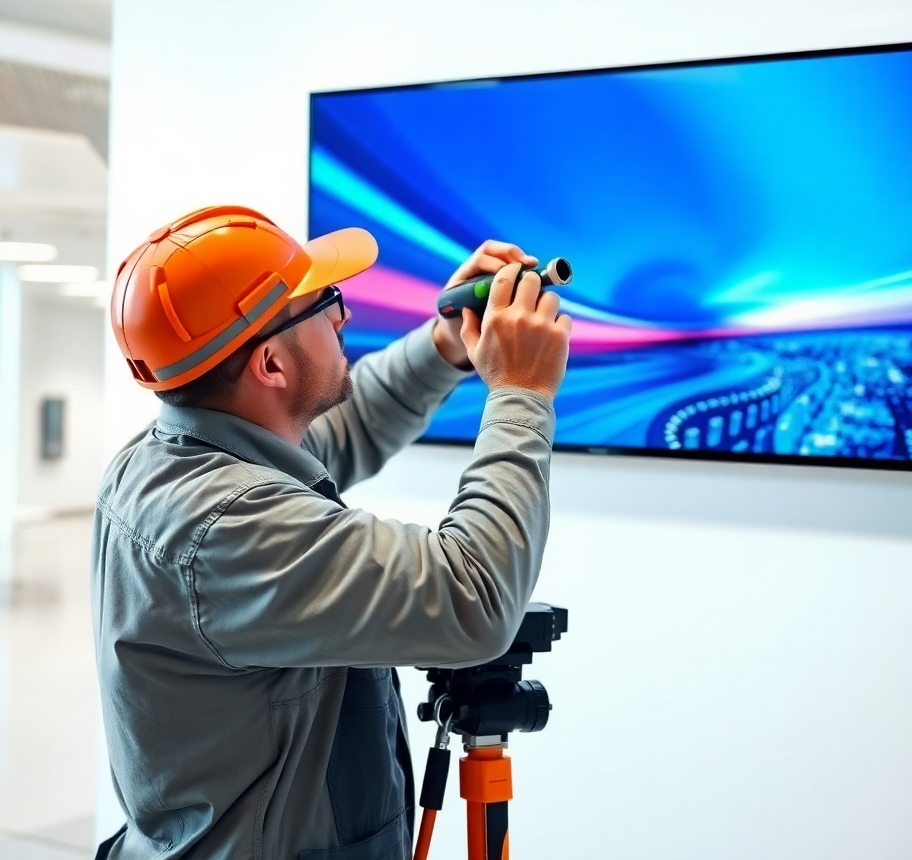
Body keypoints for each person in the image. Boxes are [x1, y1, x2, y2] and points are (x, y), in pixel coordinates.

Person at [92, 205, 571, 860]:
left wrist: (444, 345)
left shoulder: (179, 455)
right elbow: (472, 598)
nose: (342, 318)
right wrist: (521, 390)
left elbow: (349, 424)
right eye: (324, 304)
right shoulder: (227, 523)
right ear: (270, 365)